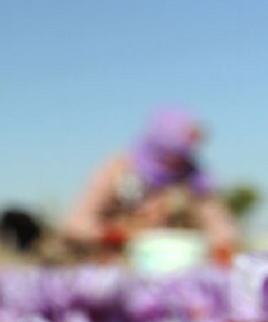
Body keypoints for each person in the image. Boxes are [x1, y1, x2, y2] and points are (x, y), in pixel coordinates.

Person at [62, 106, 236, 264]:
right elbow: (76, 222)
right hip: (116, 266)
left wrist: (221, 249)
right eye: (170, 153)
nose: (175, 163)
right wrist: (115, 236)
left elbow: (219, 224)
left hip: (175, 268)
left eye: (181, 155)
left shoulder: (193, 176)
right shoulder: (119, 168)